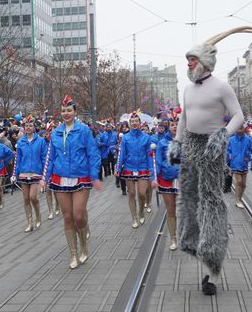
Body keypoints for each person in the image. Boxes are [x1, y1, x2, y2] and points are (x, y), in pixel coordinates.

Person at [169, 26, 252, 296]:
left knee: (211, 201)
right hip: (192, 146)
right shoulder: (187, 89)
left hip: (212, 149)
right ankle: (193, 243)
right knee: (190, 199)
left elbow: (239, 116)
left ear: (204, 61)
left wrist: (224, 134)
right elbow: (183, 118)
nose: (189, 63)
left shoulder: (221, 87)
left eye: (192, 59)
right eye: (188, 59)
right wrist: (177, 141)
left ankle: (212, 266)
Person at [42, 95, 101, 269]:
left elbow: (93, 154)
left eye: (69, 110)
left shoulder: (83, 131)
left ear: (75, 112)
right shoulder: (55, 132)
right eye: (63, 111)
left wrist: (95, 176)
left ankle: (84, 247)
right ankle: (73, 254)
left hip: (81, 177)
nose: (66, 113)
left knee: (78, 215)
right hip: (60, 178)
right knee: (67, 217)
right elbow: (50, 157)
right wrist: (44, 179)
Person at [115, 112, 153, 228]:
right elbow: (122, 154)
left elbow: (149, 154)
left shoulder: (146, 138)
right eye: (132, 122)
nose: (135, 123)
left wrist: (151, 168)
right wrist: (118, 168)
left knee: (142, 194)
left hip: (143, 167)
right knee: (131, 193)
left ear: (140, 123)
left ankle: (141, 211)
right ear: (130, 124)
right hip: (129, 167)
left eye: (136, 121)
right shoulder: (125, 138)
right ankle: (134, 218)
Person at [11, 116, 47, 232]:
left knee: (33, 197)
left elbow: (44, 158)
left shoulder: (41, 141)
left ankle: (38, 215)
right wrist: (14, 174)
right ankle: (29, 222)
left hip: (36, 173)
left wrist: (44, 175)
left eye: (31, 126)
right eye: (26, 126)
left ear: (34, 127)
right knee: (26, 199)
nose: (28, 128)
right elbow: (18, 159)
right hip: (23, 172)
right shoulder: (20, 142)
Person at [152, 119, 180, 250]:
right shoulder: (162, 143)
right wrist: (154, 178)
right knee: (171, 208)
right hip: (166, 179)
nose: (175, 127)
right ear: (169, 127)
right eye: (173, 125)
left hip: (182, 179)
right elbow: (157, 161)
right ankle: (173, 238)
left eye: (177, 125)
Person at [227, 125, 252, 208]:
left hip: (244, 164)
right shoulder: (231, 139)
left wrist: (248, 157)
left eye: (241, 128)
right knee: (239, 182)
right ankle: (237, 200)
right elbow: (228, 151)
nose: (239, 129)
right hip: (235, 163)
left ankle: (240, 198)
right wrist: (229, 158)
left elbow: (250, 150)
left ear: (244, 128)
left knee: (244, 184)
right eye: (237, 128)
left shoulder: (248, 139)